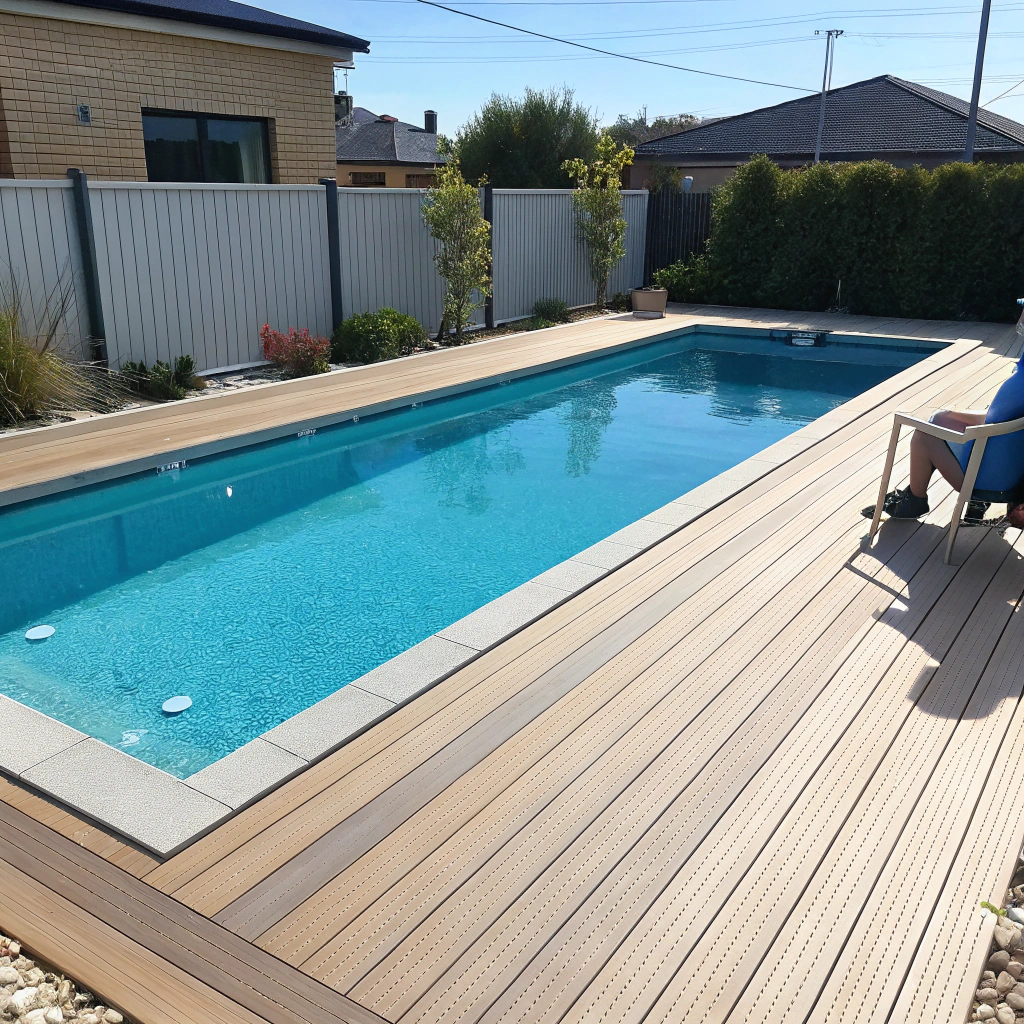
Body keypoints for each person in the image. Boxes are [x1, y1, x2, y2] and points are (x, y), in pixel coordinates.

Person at [863, 351, 1024, 522]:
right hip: (1005, 464)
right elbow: (1002, 417)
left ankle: (914, 501)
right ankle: (913, 494)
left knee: (923, 435)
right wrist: (949, 418)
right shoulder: (1020, 380)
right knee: (939, 419)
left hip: (990, 479)